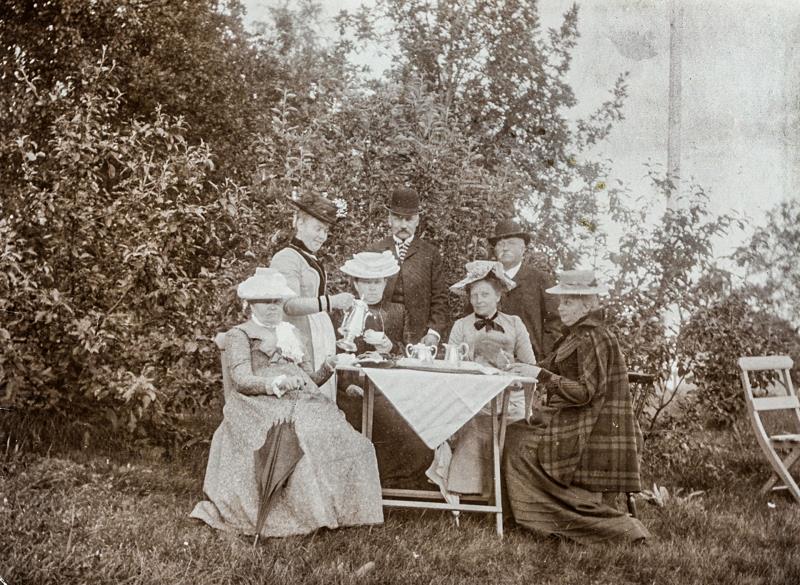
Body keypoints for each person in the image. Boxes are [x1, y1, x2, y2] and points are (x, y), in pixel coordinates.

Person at [191, 268, 383, 538]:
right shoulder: (240, 334)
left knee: (347, 439)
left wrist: (328, 366)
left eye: (277, 301)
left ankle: (345, 512)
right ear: (250, 304)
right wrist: (274, 383)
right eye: (265, 301)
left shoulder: (289, 332)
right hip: (259, 403)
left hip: (301, 399)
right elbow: (242, 379)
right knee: (301, 436)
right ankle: (301, 515)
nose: (272, 307)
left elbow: (309, 380)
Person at [503, 270, 650, 544]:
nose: (560, 309)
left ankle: (568, 519)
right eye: (560, 303)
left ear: (587, 304)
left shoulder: (591, 337)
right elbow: (548, 368)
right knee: (515, 433)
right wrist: (521, 366)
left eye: (567, 303)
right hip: (579, 419)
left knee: (516, 441)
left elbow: (585, 393)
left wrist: (540, 375)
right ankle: (532, 515)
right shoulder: (578, 335)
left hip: (591, 429)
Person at [427, 260, 537, 497]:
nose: (478, 300)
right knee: (472, 427)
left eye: (485, 294)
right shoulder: (461, 326)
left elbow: (530, 367)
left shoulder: (514, 324)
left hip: (511, 402)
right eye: (474, 295)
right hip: (473, 403)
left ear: (498, 295)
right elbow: (450, 369)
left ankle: (506, 497)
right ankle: (467, 493)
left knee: (512, 430)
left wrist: (508, 368)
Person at [334, 251, 433, 488]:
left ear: (386, 282)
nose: (371, 288)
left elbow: (408, 354)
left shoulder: (397, 312)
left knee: (415, 427)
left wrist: (389, 346)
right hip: (350, 390)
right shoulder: (341, 312)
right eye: (365, 282)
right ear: (356, 283)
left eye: (376, 281)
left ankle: (393, 482)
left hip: (391, 390)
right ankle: (369, 483)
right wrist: (347, 385)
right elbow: (331, 356)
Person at [270, 190, 354, 401]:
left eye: (325, 231)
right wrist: (331, 302)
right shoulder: (286, 257)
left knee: (322, 394)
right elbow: (288, 305)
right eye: (318, 228)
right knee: (305, 395)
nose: (322, 236)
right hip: (298, 337)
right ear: (299, 223)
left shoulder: (308, 257)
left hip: (318, 335)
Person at [366, 187, 448, 347]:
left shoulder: (430, 254)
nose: (403, 225)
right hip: (379, 333)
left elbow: (440, 298)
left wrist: (433, 333)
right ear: (389, 219)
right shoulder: (375, 250)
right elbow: (363, 295)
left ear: (417, 220)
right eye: (398, 218)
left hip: (419, 336)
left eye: (409, 219)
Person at [487, 219, 561, 359]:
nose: (505, 248)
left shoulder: (540, 279)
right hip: (489, 359)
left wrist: (544, 357)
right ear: (495, 250)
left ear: (523, 249)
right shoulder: (486, 280)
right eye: (501, 244)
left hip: (530, 360)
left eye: (511, 243)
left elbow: (556, 322)